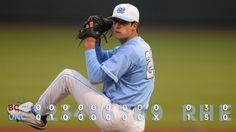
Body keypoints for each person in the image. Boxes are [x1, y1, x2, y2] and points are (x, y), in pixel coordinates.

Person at [8, 3, 155, 132]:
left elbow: (96, 77)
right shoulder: (139, 46)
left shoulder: (130, 51)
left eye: (123, 22)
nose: (117, 25)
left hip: (118, 116)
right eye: (115, 21)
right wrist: (96, 42)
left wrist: (89, 44)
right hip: (135, 122)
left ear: (134, 26)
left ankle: (36, 115)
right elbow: (104, 59)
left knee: (67, 77)